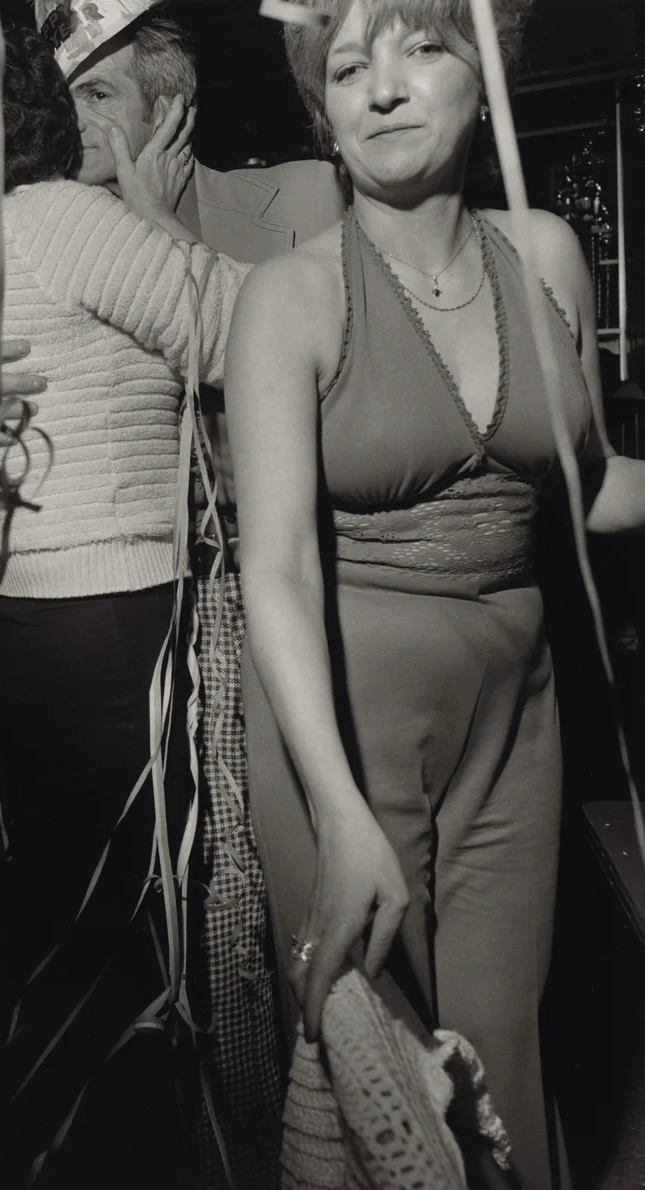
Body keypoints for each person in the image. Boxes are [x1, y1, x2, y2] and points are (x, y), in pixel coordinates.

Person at [0, 11, 344, 1187]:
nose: (86, 114)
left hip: (27, 621)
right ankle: (20, 1141)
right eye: (68, 97)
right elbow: (243, 331)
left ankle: (79, 1138)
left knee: (76, 899)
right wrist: (148, 218)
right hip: (117, 614)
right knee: (131, 919)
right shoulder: (64, 221)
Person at [223, 2, 645, 1187]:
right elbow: (278, 568)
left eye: (421, 47)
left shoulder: (548, 253)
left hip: (518, 717)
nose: (384, 88)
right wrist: (339, 808)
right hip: (342, 733)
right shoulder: (291, 299)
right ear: (325, 108)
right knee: (387, 1097)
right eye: (348, 67)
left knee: (504, 1055)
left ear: (488, 71)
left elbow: (591, 484)